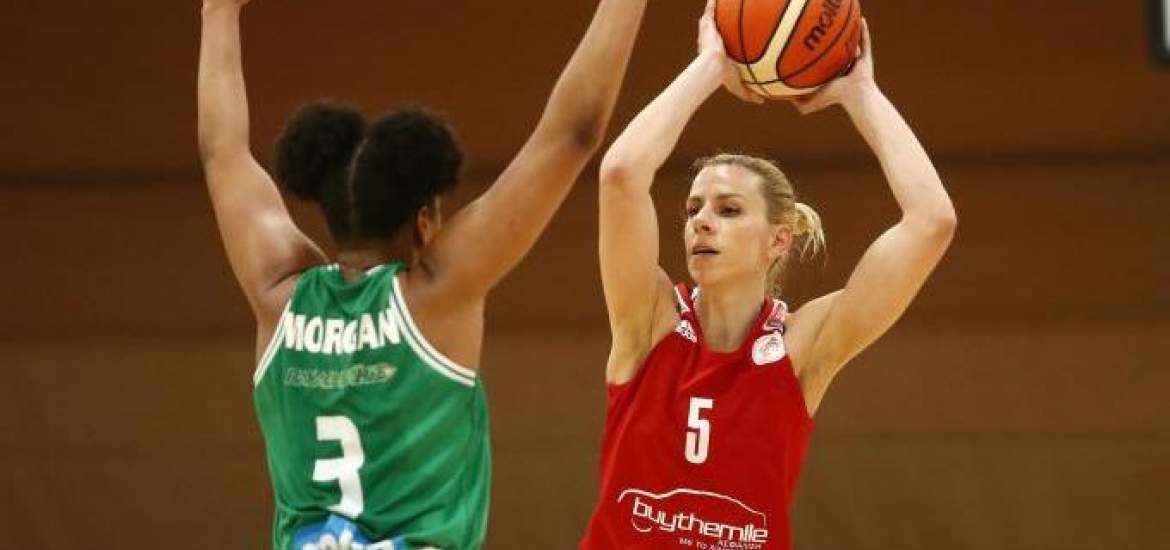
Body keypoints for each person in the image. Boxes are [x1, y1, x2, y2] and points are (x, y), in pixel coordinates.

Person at [196, 0, 648, 547]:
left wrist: (218, 12)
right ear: (424, 222)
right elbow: (572, 134)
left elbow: (222, 153)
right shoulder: (434, 296)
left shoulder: (278, 293)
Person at [580, 3, 957, 549]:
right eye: (693, 209)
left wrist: (861, 92)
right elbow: (620, 173)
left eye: (729, 210)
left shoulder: (802, 349)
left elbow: (932, 222)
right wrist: (711, 64)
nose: (701, 221)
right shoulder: (649, 321)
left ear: (778, 240)